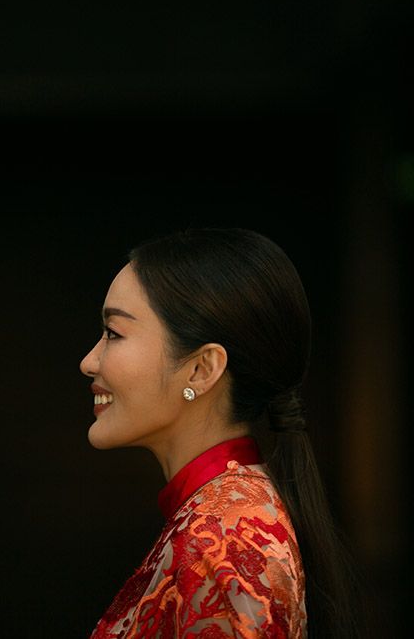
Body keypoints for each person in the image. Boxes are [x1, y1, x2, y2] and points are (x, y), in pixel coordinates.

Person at [79, 228, 363, 638]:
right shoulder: (222, 518)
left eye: (114, 334)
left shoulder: (224, 540)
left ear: (202, 369)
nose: (89, 362)